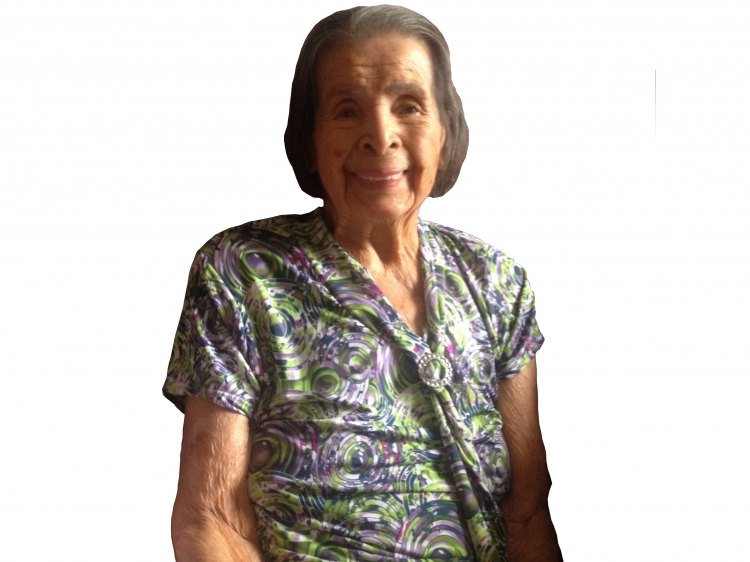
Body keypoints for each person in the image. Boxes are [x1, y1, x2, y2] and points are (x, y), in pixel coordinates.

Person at [164, 5, 562, 561]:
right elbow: (212, 518)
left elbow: (527, 513)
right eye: (347, 110)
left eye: (409, 106)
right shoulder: (244, 271)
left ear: (446, 130)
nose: (380, 136)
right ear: (310, 138)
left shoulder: (496, 281)